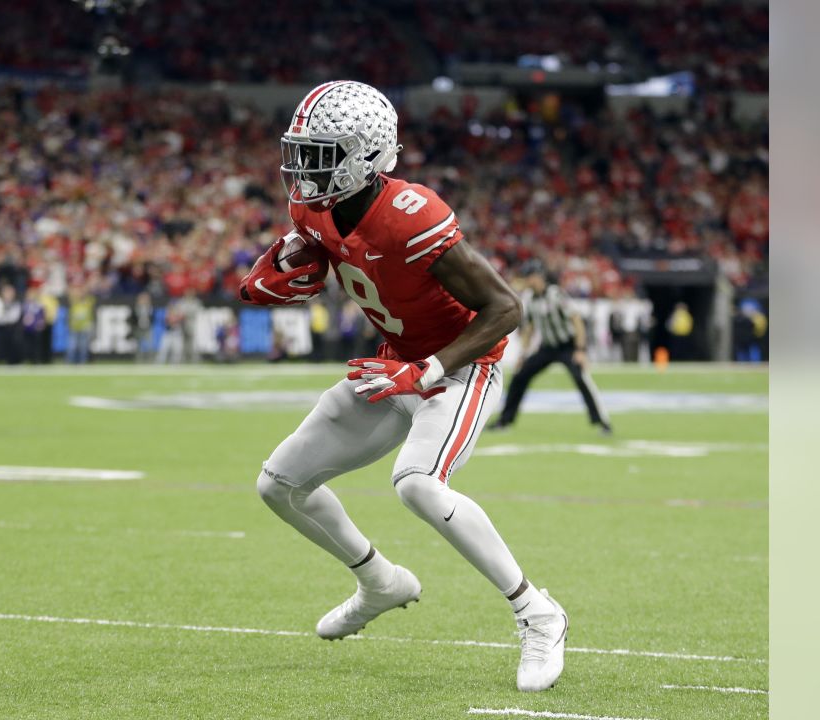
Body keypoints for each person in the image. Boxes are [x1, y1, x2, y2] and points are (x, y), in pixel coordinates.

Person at [240, 81, 567, 693]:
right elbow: (311, 250)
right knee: (279, 485)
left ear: (365, 155)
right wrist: (279, 269)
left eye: (320, 153)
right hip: (394, 363)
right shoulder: (310, 207)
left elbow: (504, 308)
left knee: (417, 483)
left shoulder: (410, 213)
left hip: (461, 365)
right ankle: (379, 581)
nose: (302, 168)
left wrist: (427, 372)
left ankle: (538, 613)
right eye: (301, 151)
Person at [489, 261, 612, 435]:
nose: (527, 281)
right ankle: (505, 420)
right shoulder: (531, 299)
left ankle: (603, 422)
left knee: (582, 379)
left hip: (567, 346)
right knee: (520, 377)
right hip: (547, 347)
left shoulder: (556, 294)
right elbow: (529, 329)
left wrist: (580, 350)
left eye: (529, 277)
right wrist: (523, 355)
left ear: (538, 276)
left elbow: (576, 320)